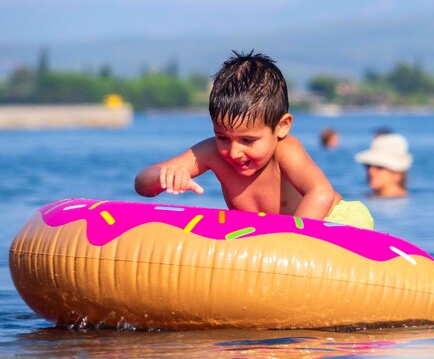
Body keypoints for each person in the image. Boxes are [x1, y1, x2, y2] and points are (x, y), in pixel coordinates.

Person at [134, 51, 374, 229]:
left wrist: (291, 241)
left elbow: (320, 193)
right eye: (223, 137)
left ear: (281, 127)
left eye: (248, 140)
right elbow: (141, 184)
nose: (234, 151)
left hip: (333, 219)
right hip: (272, 237)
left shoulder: (285, 150)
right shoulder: (212, 153)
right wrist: (163, 177)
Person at [355, 133, 413, 198]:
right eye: (368, 166)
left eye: (379, 167)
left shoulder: (400, 203)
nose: (370, 171)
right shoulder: (367, 197)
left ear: (397, 174)